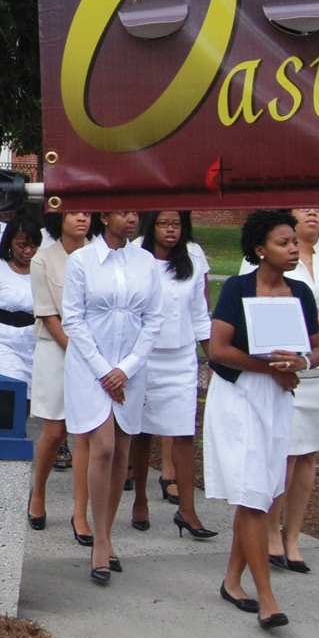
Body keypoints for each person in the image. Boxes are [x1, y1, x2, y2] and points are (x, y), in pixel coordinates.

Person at [203, 211, 319, 631]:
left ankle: (232, 581)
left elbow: (315, 349)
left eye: (294, 242)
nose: (293, 249)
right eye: (283, 243)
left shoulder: (300, 293)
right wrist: (270, 369)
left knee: (262, 492)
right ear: (260, 249)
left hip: (278, 399)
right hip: (239, 397)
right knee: (253, 495)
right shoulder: (238, 289)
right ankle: (267, 599)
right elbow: (218, 349)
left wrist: (302, 362)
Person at [62, 210, 158, 585]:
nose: (131, 218)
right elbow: (73, 318)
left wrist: (127, 368)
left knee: (121, 449)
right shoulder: (82, 260)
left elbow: (153, 319)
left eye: (135, 212)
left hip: (130, 367)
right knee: (101, 445)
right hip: (91, 365)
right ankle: (98, 537)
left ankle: (106, 532)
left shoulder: (145, 262)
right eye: (123, 212)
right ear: (105, 216)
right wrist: (104, 370)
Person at [261, 206, 319, 573]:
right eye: (304, 206)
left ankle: (293, 535)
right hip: (285, 367)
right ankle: (270, 531)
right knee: (284, 455)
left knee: (309, 455)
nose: (313, 212)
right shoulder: (270, 254)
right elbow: (259, 306)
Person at [136, 210, 214, 539]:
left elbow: (200, 314)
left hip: (181, 357)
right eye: (164, 224)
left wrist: (213, 359)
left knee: (183, 434)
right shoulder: (136, 256)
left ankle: (188, 509)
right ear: (151, 225)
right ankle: (140, 499)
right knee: (141, 434)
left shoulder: (193, 258)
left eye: (176, 224)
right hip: (144, 357)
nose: (170, 230)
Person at [27, 210, 89, 535]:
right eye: (75, 213)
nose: (82, 219)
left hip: (95, 353)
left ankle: (81, 513)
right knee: (54, 432)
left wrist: (92, 356)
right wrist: (77, 351)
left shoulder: (99, 255)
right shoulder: (43, 259)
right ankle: (38, 492)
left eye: (87, 213)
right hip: (56, 348)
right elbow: (48, 313)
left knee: (86, 435)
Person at [0, 212, 43, 439]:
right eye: (22, 245)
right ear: (10, 243)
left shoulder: (42, 271)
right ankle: (4, 432)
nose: (28, 251)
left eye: (33, 246)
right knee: (10, 384)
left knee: (27, 392)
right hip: (2, 337)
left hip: (32, 338)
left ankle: (17, 433)